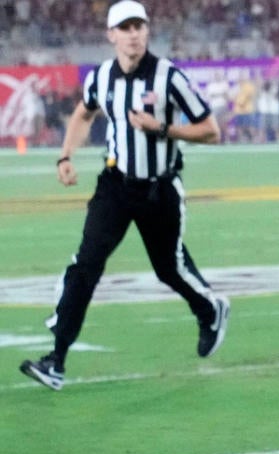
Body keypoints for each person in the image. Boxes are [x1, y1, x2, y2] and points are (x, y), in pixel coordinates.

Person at [19, 0, 228, 391]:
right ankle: (56, 359)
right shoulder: (100, 77)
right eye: (125, 27)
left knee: (169, 268)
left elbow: (211, 130)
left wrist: (163, 128)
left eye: (139, 26)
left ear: (147, 31)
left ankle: (209, 309)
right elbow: (83, 113)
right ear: (111, 35)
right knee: (85, 266)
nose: (133, 34)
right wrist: (65, 155)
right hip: (115, 185)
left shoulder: (169, 77)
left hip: (159, 188)